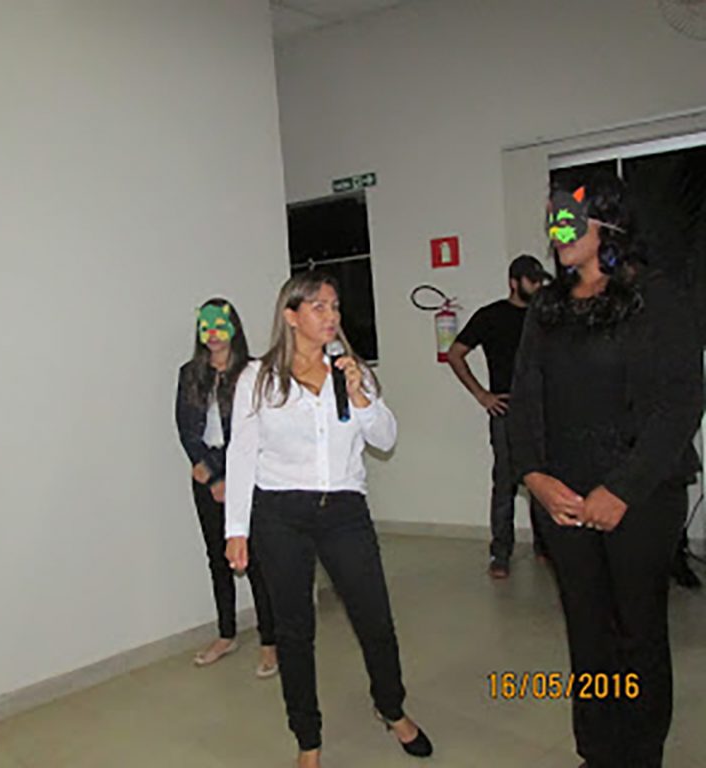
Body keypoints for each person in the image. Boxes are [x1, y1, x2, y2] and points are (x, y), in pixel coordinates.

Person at [508, 174, 702, 768]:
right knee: (587, 630)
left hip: (641, 495)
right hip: (562, 497)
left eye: (568, 219)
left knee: (636, 631)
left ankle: (640, 755)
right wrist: (534, 477)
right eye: (552, 221)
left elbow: (681, 401)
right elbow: (525, 396)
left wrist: (622, 489)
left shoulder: (656, 296)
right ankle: (597, 750)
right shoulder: (547, 309)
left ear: (608, 224)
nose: (556, 231)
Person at [224, 273, 432, 768]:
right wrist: (236, 529)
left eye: (335, 306)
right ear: (291, 315)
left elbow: (385, 438)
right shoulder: (259, 377)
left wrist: (361, 396)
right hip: (280, 514)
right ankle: (308, 739)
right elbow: (242, 453)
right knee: (295, 631)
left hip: (344, 512)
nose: (331, 315)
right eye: (318, 306)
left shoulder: (351, 370)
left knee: (374, 619)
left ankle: (392, 708)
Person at [175, 298, 277, 677]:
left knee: (256, 559)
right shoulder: (190, 374)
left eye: (220, 325)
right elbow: (186, 429)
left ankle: (270, 642)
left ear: (234, 327)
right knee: (217, 557)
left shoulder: (253, 372)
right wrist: (211, 475)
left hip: (246, 473)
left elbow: (258, 429)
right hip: (206, 474)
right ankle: (226, 633)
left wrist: (232, 479)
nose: (213, 334)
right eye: (206, 326)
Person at [447, 254, 550, 578]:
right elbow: (455, 354)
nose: (538, 286)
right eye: (532, 280)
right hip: (506, 409)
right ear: (514, 282)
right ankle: (501, 554)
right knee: (505, 481)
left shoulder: (545, 316)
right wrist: (482, 395)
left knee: (543, 480)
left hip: (542, 410)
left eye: (540, 280)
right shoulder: (491, 316)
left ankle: (545, 546)